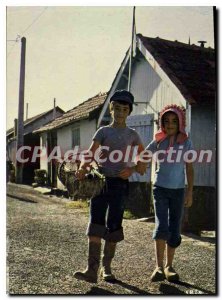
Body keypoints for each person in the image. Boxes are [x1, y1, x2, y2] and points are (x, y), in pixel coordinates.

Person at [74, 90, 146, 283]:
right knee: (96, 223)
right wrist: (83, 167)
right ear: (111, 109)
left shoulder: (133, 135)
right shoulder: (103, 131)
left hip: (120, 185)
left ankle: (107, 268)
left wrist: (131, 170)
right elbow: (90, 153)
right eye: (117, 108)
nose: (121, 112)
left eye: (125, 109)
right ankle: (91, 269)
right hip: (100, 183)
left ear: (129, 112)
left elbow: (144, 157)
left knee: (114, 226)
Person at [145, 104, 194, 282]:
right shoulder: (158, 141)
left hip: (179, 191)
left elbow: (189, 168)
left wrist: (190, 192)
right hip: (160, 189)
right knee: (161, 226)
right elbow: (144, 155)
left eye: (174, 121)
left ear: (180, 122)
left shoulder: (186, 142)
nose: (171, 124)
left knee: (174, 229)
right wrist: (139, 163)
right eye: (167, 121)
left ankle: (169, 266)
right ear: (162, 123)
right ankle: (158, 267)